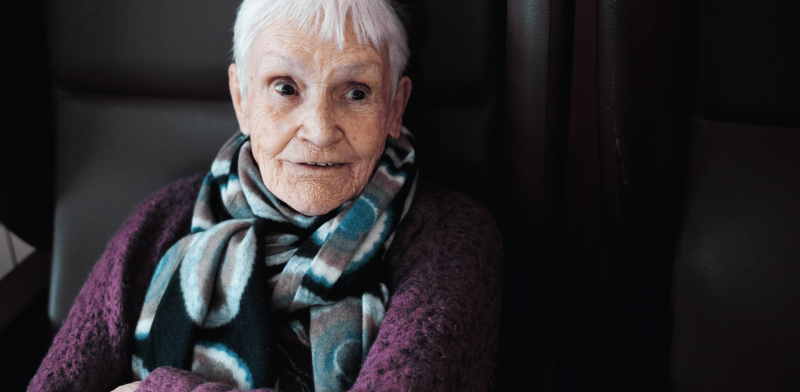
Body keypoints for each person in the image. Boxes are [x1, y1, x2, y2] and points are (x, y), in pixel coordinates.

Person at [28, 0, 503, 391]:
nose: (318, 130)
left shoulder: (453, 238)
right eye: (285, 87)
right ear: (242, 99)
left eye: (356, 92)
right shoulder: (161, 219)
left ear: (395, 107)